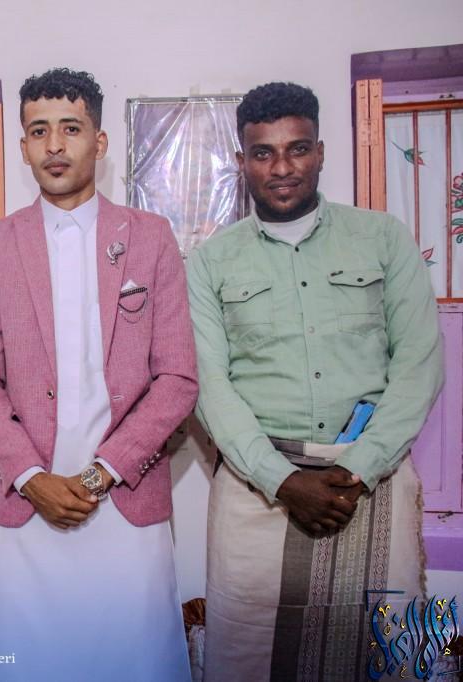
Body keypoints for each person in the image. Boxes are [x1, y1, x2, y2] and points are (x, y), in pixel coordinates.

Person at [186, 81, 444, 681]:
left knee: (380, 652)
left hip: (370, 480)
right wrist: (282, 481)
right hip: (256, 486)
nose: (281, 168)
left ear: (321, 152)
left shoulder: (383, 238)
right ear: (242, 161)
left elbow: (420, 363)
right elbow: (209, 385)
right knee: (249, 657)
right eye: (263, 153)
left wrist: (360, 469)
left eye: (297, 149)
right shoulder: (210, 262)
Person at [0, 68, 197, 681]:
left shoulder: (150, 237)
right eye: (39, 131)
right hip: (27, 504)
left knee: (132, 663)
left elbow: (177, 378)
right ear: (23, 148)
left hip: (123, 500)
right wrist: (30, 477)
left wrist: (100, 474)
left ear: (99, 141)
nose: (55, 145)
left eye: (71, 128)